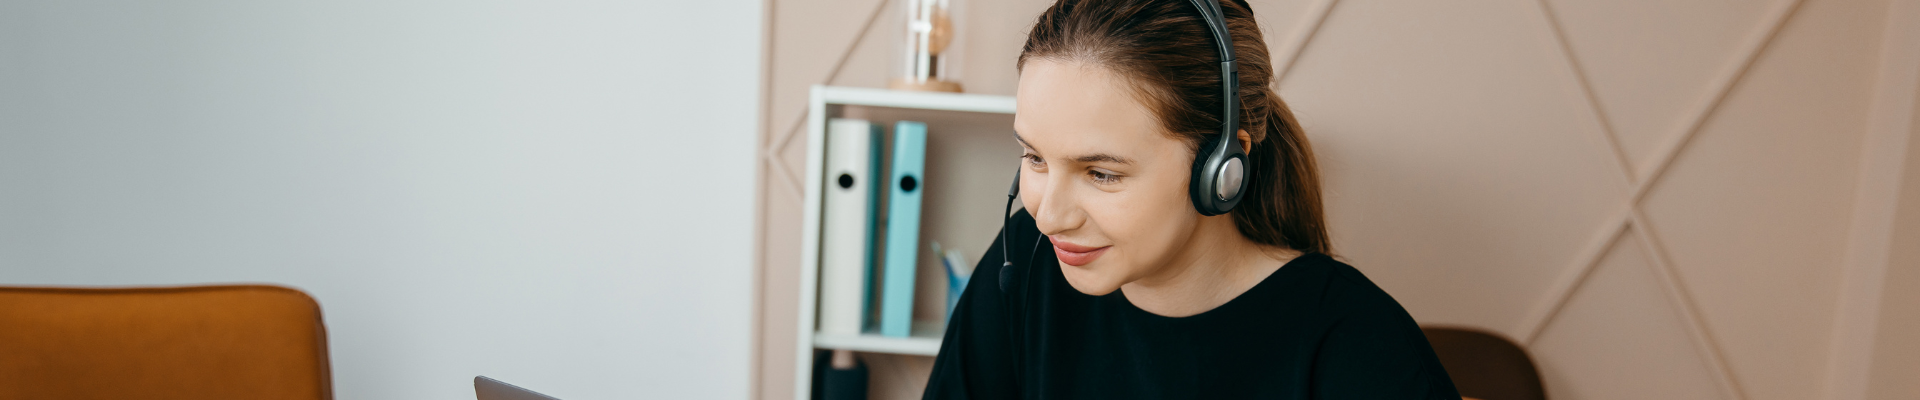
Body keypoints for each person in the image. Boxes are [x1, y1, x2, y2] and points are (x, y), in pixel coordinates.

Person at [921, 0, 1461, 398]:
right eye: (1035, 158)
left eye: (1102, 173)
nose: (1049, 215)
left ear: (1220, 169)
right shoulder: (1027, 260)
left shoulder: (1356, 342)